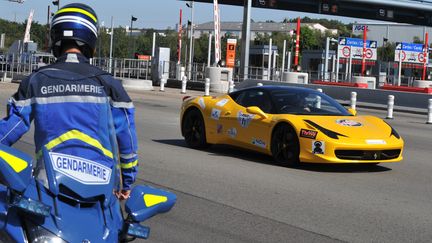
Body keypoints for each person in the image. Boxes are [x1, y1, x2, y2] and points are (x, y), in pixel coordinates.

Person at [0, 3, 138, 200]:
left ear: (55, 37)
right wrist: (128, 181)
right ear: (91, 38)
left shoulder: (36, 80)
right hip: (101, 191)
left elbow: (10, 131)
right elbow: (127, 140)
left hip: (50, 186)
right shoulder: (109, 84)